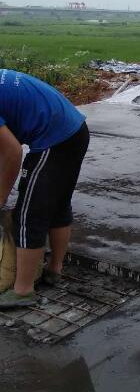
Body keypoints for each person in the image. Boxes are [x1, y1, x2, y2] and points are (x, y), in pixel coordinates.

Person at [0, 69, 89, 308]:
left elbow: (12, 152)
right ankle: (53, 270)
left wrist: (0, 200)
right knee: (57, 205)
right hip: (75, 130)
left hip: (55, 138)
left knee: (28, 214)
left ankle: (23, 291)